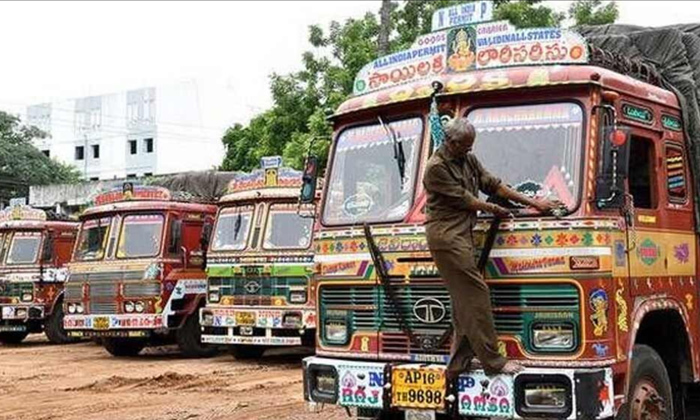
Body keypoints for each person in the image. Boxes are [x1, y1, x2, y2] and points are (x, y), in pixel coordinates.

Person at [423, 117, 559, 379]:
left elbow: (492, 184)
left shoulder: (468, 159)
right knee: (475, 295)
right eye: (464, 145)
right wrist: (495, 209)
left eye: (471, 146)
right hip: (445, 236)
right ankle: (493, 362)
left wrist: (534, 203)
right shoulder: (435, 168)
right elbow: (468, 200)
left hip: (462, 234)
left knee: (463, 301)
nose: (469, 150)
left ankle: (458, 364)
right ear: (449, 142)